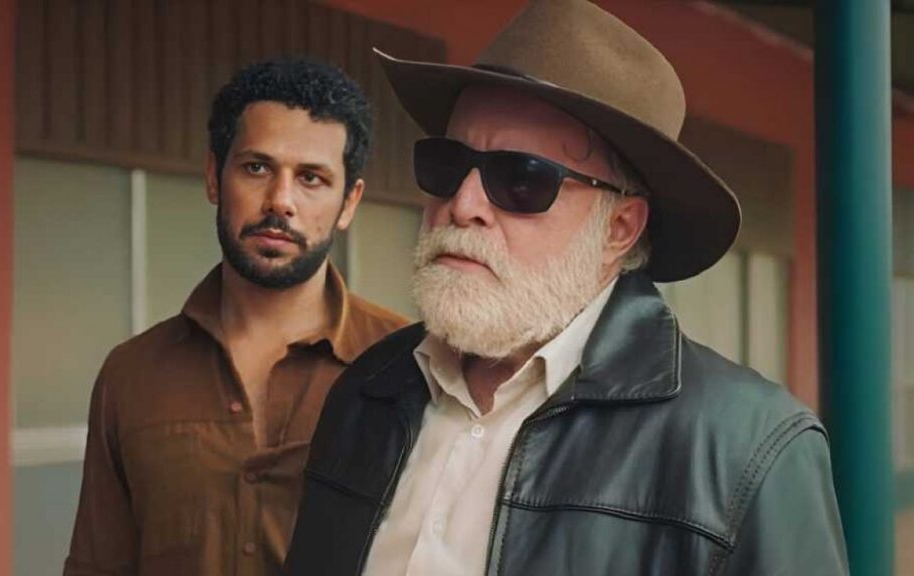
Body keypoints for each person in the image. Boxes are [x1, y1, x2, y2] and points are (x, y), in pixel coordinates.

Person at [286, 1, 848, 574]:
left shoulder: (747, 450)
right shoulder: (367, 392)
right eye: (447, 164)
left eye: (522, 179)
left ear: (619, 229)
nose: (463, 204)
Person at [63, 58, 409, 576]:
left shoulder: (408, 367)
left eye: (311, 178)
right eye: (256, 168)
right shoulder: (130, 375)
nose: (280, 201)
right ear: (213, 176)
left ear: (348, 202)